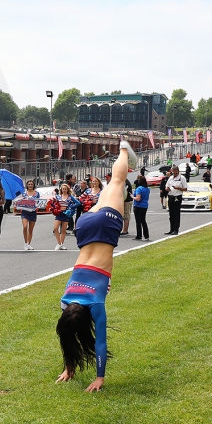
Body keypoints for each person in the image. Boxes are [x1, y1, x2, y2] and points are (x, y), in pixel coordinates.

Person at [56, 141, 138, 392]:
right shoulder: (64, 302)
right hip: (85, 227)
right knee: (108, 189)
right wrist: (69, 366)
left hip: (104, 229)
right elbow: (68, 333)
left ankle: (125, 150)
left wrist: (100, 377)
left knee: (116, 181)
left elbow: (99, 342)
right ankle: (123, 156)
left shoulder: (95, 306)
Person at [48, 183, 77, 250]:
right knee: (55, 228)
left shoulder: (70, 197)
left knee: (63, 230)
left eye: (65, 189)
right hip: (59, 214)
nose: (64, 190)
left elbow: (78, 203)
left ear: (67, 190)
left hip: (66, 214)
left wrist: (70, 207)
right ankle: (59, 243)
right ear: (61, 189)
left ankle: (62, 244)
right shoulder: (58, 196)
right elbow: (53, 203)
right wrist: (53, 207)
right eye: (63, 189)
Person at [18, 179, 40, 251]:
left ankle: (28, 244)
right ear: (27, 185)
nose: (30, 185)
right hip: (25, 212)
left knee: (30, 230)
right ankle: (25, 243)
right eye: (29, 184)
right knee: (25, 227)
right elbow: (19, 201)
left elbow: (39, 202)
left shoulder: (37, 193)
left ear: (33, 185)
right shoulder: (24, 193)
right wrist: (19, 207)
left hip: (33, 212)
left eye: (31, 184)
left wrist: (37, 207)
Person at [164, 165, 187, 235]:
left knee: (176, 213)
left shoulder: (182, 178)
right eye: (173, 173)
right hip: (171, 195)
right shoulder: (170, 178)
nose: (175, 175)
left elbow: (185, 188)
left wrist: (179, 188)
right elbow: (166, 186)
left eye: (176, 173)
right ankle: (171, 229)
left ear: (178, 172)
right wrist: (167, 189)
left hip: (177, 196)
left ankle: (176, 229)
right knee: (171, 214)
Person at [132, 175, 149, 241]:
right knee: (143, 221)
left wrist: (132, 197)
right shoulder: (147, 189)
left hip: (138, 206)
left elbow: (138, 198)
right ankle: (146, 235)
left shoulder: (139, 189)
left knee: (138, 222)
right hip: (145, 206)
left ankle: (139, 235)